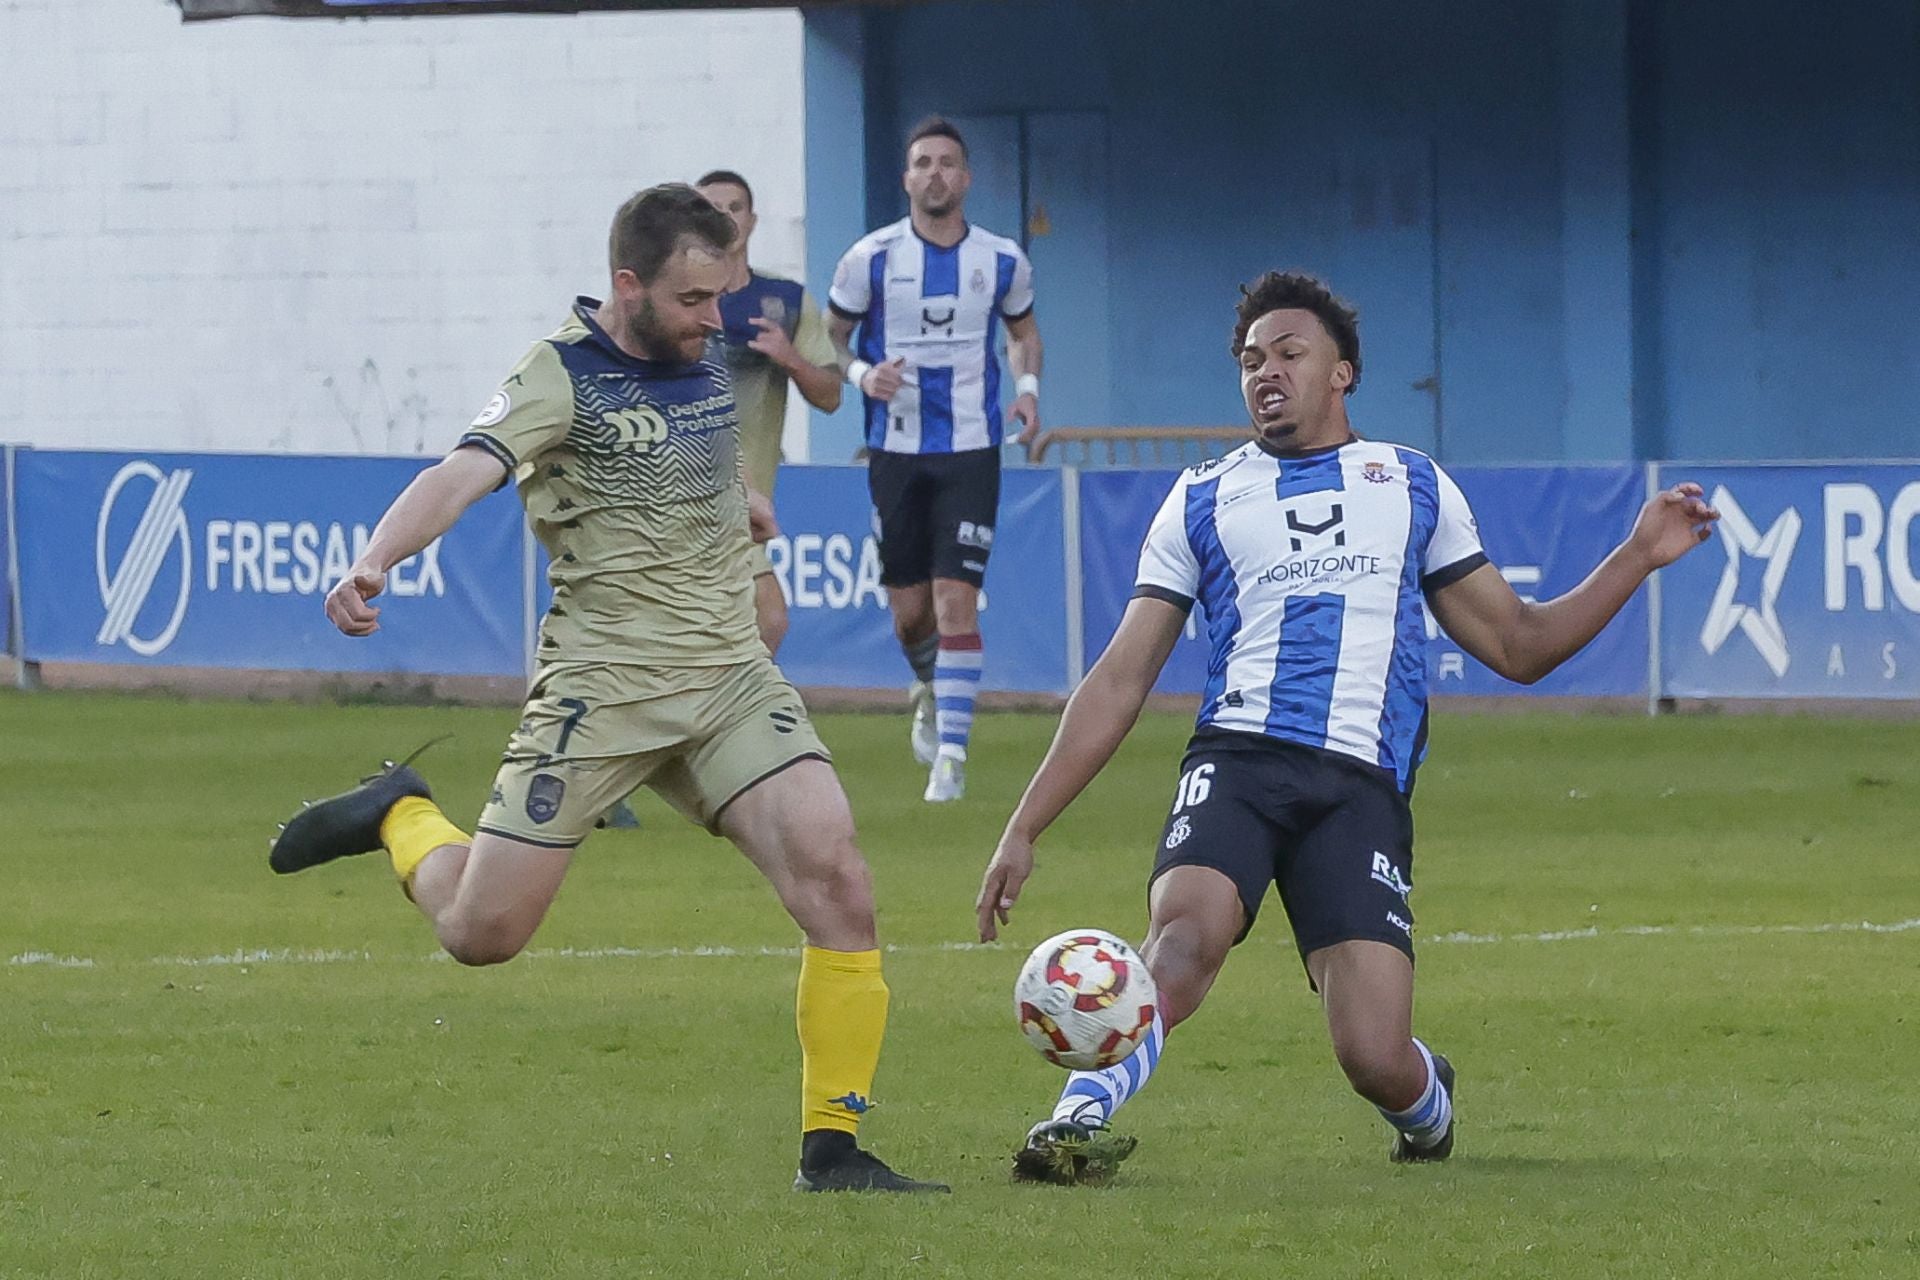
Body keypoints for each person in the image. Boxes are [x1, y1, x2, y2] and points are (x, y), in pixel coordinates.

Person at [268, 184, 945, 1195]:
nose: (714, 318)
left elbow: (705, 462)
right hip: (603, 689)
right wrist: (376, 559)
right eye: (692, 298)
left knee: (839, 880)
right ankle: (403, 812)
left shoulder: (700, 348)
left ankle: (833, 1148)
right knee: (481, 934)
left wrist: (744, 505)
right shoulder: (559, 374)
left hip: (726, 679)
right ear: (627, 285)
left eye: (722, 294)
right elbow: (459, 472)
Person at [974, 270, 1719, 1184]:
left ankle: (1427, 1105)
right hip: (1238, 760)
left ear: (1343, 372)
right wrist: (1025, 824)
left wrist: (1638, 554)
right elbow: (1120, 678)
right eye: (1251, 360)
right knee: (1184, 938)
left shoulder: (1410, 484)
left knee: (1374, 1053)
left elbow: (1519, 645)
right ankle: (1075, 1122)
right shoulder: (1201, 499)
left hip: (1358, 788)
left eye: (1290, 353)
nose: (1265, 372)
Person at [826, 116, 1044, 803]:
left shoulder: (1003, 259)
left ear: (967, 177)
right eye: (923, 163)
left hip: (972, 450)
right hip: (894, 449)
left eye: (948, 162)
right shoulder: (871, 259)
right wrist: (863, 376)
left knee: (956, 601)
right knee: (909, 614)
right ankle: (928, 688)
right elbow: (829, 340)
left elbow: (1023, 334)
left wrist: (1030, 391)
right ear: (907, 178)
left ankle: (951, 758)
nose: (936, 174)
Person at [696, 168, 844, 656]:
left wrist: (790, 358)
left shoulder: (782, 302)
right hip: (686, 490)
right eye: (710, 210)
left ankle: (710, 721)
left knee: (756, 624)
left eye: (733, 208)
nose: (723, 218)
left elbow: (830, 396)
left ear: (752, 220)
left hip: (747, 499)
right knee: (767, 618)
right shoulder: (677, 303)